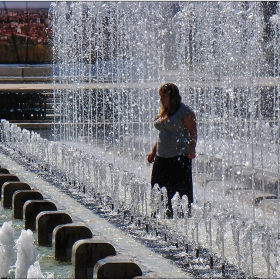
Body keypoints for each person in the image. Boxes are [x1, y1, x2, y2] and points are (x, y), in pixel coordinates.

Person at [147, 83, 197, 218]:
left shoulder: (185, 112)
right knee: (158, 188)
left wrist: (192, 149)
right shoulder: (166, 111)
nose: (161, 99)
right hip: (161, 158)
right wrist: (153, 151)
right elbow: (161, 134)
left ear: (173, 97)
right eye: (160, 96)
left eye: (164, 96)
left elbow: (193, 133)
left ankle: (180, 216)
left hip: (178, 158)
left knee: (177, 190)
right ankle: (159, 214)